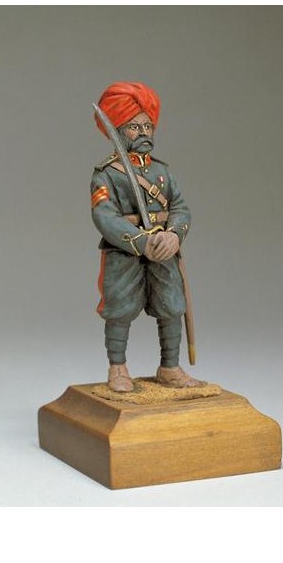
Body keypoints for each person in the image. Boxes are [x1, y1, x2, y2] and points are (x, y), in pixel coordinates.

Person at [90, 82, 200, 393]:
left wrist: (174, 236)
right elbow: (104, 216)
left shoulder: (163, 172)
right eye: (135, 127)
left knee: (172, 305)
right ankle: (118, 368)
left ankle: (170, 367)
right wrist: (141, 242)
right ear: (119, 131)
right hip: (125, 251)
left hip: (164, 249)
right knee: (119, 308)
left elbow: (180, 208)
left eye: (147, 126)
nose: (144, 132)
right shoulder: (106, 174)